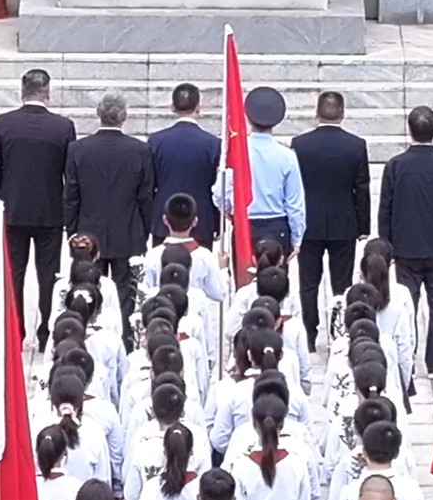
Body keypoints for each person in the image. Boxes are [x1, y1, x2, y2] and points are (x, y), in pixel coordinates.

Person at [0, 69, 78, 334]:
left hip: (14, 209)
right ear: (47, 92)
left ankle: (15, 330)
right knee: (48, 274)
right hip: (50, 209)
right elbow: (70, 173)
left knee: (15, 274)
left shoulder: (4, 123)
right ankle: (46, 330)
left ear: (22, 91)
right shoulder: (63, 127)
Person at [379, 106, 433, 374]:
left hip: (405, 246)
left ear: (410, 129)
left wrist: (385, 246)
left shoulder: (396, 166)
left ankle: (409, 362)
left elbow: (385, 208)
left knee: (408, 305)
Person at [65, 92, 155, 311]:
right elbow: (145, 195)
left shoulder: (78, 149)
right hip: (128, 231)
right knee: (126, 292)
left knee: (89, 288)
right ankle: (124, 330)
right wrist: (144, 230)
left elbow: (71, 195)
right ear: (124, 116)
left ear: (98, 113)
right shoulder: (139, 150)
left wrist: (73, 232)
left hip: (89, 231)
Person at [292, 91, 371, 340]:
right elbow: (362, 188)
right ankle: (339, 332)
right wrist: (363, 225)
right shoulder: (356, 145)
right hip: (343, 221)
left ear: (316, 113)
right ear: (343, 114)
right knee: (342, 284)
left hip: (309, 222)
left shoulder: (300, 144)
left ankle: (309, 333)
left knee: (308, 283)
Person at [225, 85, 306, 265]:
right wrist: (296, 238)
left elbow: (221, 191)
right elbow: (294, 203)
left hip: (245, 224)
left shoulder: (236, 152)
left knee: (244, 280)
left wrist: (229, 211)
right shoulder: (287, 156)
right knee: (275, 279)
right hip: (277, 226)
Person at [148, 82, 224, 246]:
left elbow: (149, 184)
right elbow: (216, 186)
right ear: (198, 107)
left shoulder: (156, 141)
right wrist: (217, 221)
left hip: (164, 220)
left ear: (172, 107)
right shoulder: (212, 144)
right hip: (200, 220)